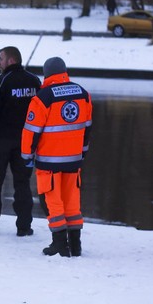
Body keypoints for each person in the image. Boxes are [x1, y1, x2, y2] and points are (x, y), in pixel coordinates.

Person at [21, 57, 92, 257]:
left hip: (49, 161)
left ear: (47, 73)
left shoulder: (43, 97)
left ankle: (60, 245)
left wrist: (26, 155)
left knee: (54, 202)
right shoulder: (83, 94)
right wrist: (83, 151)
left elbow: (31, 131)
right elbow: (87, 128)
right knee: (72, 202)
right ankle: (75, 246)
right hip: (74, 159)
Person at [0, 46, 42, 236]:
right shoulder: (34, 82)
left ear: (11, 60)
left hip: (0, 142)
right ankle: (24, 227)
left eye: (1, 58)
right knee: (22, 184)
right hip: (25, 142)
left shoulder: (0, 82)